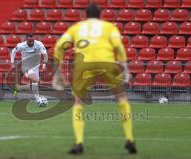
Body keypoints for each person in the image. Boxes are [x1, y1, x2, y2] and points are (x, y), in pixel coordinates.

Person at [53, 4, 137, 155]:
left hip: (83, 64)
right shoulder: (109, 27)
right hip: (107, 62)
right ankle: (129, 139)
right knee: (122, 97)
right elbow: (119, 47)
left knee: (78, 102)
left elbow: (59, 46)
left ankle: (79, 142)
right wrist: (125, 69)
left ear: (85, 14)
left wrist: (58, 72)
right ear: (100, 14)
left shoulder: (76, 27)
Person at [10, 33, 48, 104]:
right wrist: (12, 63)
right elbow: (13, 51)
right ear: (26, 39)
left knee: (34, 85)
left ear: (33, 39)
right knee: (35, 80)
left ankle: (19, 88)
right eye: (29, 40)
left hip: (36, 67)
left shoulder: (39, 44)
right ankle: (38, 100)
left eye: (32, 40)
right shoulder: (21, 45)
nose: (31, 42)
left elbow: (45, 54)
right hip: (26, 66)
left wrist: (44, 65)